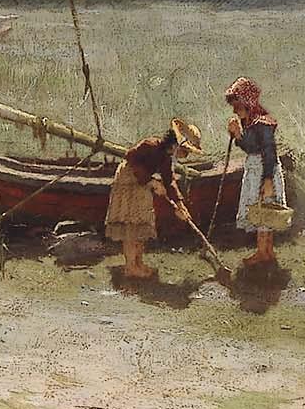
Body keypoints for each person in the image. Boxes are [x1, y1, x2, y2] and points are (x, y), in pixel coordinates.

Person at [104, 119, 202, 279]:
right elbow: (131, 158)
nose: (186, 155)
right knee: (131, 227)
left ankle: (139, 263)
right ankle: (130, 267)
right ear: (175, 145)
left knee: (142, 223)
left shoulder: (166, 157)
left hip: (142, 183)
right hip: (128, 180)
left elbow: (169, 180)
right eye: (185, 151)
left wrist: (180, 204)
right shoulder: (151, 145)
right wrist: (151, 182)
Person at [225, 77, 286, 265]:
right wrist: (237, 134)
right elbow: (250, 147)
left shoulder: (262, 123)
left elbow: (269, 152)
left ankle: (263, 252)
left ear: (247, 102)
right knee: (261, 212)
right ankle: (266, 251)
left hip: (263, 171)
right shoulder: (250, 122)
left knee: (263, 211)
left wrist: (267, 180)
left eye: (237, 105)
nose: (235, 110)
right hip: (255, 170)